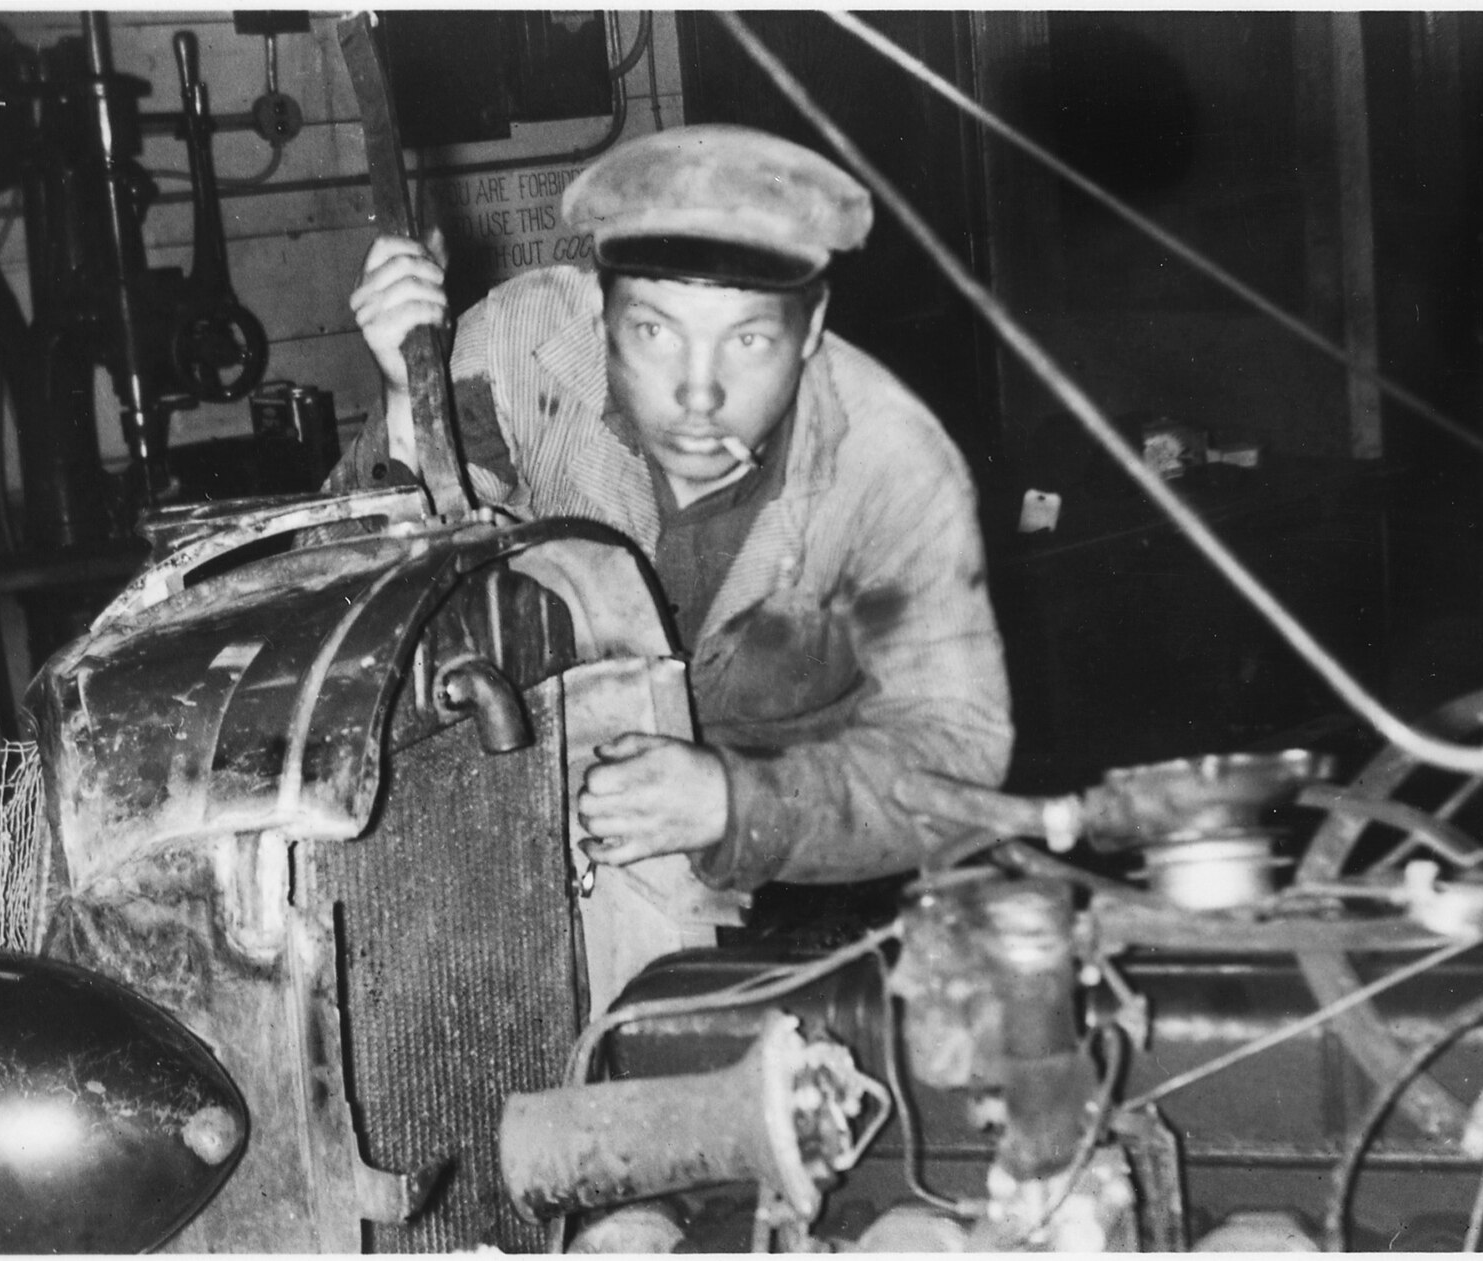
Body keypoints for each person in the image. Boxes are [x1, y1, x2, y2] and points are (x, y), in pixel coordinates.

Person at [329, 124, 1011, 1001]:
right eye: (653, 330)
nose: (698, 393)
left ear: (810, 334)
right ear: (601, 307)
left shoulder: (893, 469)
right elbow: (355, 588)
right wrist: (401, 395)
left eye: (749, 341)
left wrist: (732, 803)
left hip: (813, 924)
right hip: (541, 891)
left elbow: (956, 758)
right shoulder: (520, 347)